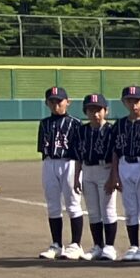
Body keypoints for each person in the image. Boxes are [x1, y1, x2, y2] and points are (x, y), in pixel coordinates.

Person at [35, 85, 83, 261]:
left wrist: (78, 171)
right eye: (52, 102)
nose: (56, 105)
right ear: (47, 103)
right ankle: (56, 244)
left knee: (73, 204)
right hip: (49, 163)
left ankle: (76, 245)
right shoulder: (44, 123)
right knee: (53, 205)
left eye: (59, 101)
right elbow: (42, 148)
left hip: (69, 162)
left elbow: (80, 149)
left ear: (67, 102)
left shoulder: (75, 123)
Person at [113, 83, 140, 262]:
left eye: (136, 100)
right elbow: (115, 151)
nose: (133, 104)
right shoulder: (119, 125)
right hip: (125, 165)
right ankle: (133, 245)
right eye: (129, 100)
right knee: (130, 208)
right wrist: (115, 174)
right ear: (123, 102)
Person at [77, 93, 122, 260]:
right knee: (93, 211)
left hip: (105, 169)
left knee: (108, 209)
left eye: (98, 110)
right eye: (91, 110)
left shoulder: (112, 130)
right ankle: (97, 246)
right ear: (85, 112)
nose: (95, 114)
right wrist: (76, 177)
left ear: (106, 111)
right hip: (87, 170)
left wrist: (114, 176)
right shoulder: (82, 131)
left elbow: (116, 154)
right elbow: (78, 156)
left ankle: (109, 247)